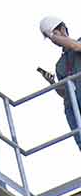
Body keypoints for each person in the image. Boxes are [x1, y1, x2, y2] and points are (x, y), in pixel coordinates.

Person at [38, 17, 81, 153]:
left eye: (53, 35)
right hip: (73, 107)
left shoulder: (78, 43)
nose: (52, 40)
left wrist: (54, 36)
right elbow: (64, 93)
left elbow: (75, 46)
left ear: (62, 29)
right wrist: (53, 83)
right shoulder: (60, 64)